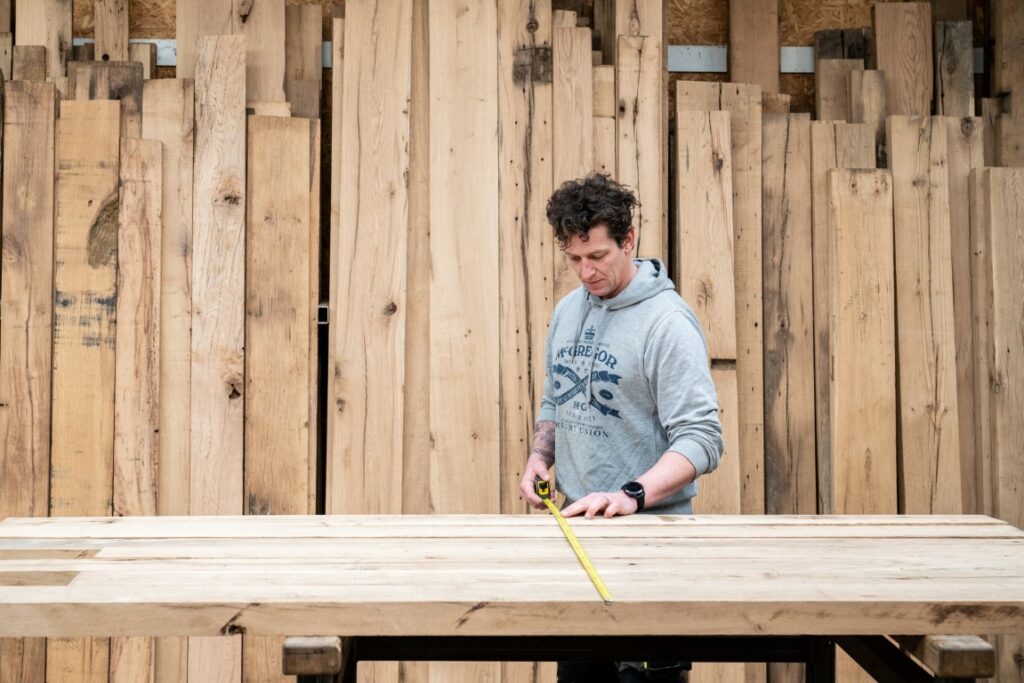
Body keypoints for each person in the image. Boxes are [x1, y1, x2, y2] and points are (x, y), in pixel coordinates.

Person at [518, 173, 724, 683]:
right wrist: (541, 456)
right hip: (581, 539)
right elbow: (556, 398)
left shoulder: (667, 323)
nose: (586, 272)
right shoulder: (568, 312)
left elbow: (702, 439)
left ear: (628, 240)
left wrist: (632, 493)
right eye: (574, 259)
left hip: (653, 551)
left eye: (598, 256)